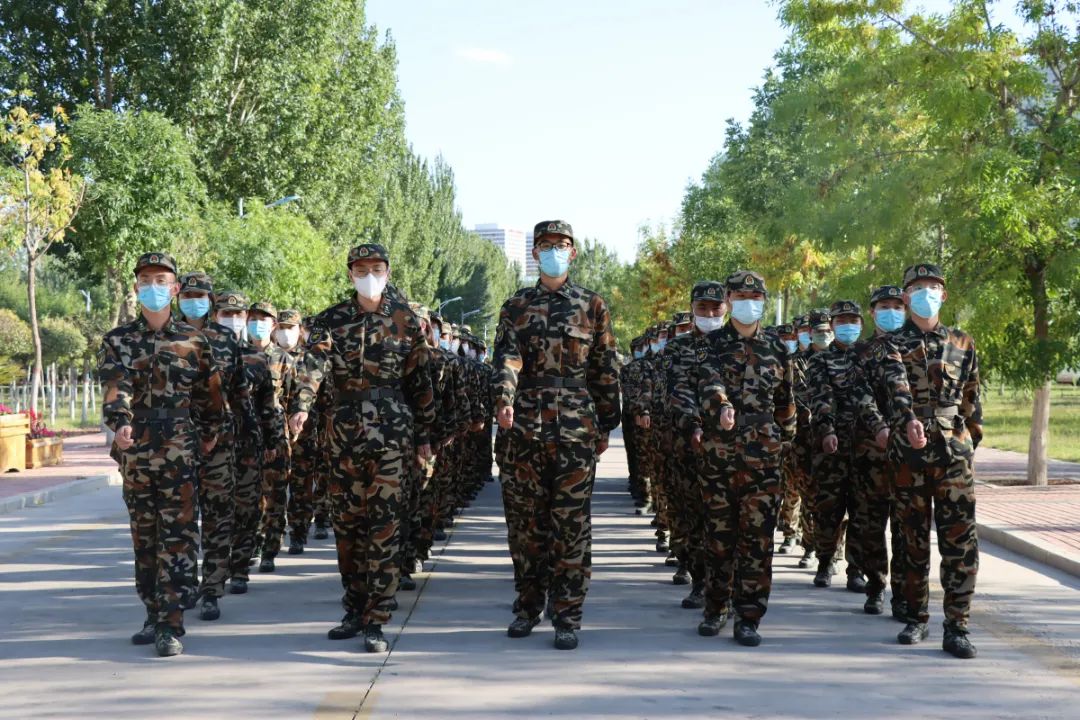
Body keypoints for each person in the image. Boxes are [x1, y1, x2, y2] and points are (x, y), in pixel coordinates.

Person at [288, 242, 435, 653]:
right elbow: (313, 364)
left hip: (392, 439)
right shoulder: (332, 319)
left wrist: (426, 434)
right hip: (344, 437)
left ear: (388, 272)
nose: (369, 275)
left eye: (376, 268)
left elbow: (421, 381)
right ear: (350, 273)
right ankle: (353, 610)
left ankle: (377, 618)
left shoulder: (405, 320)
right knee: (348, 529)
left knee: (384, 529)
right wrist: (301, 405)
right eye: (361, 269)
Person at [494, 219, 621, 651]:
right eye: (546, 245)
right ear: (535, 253)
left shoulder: (592, 305)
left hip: (576, 432)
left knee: (571, 527)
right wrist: (504, 399)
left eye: (561, 245)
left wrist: (607, 423)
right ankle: (528, 607)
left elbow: (604, 367)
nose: (554, 252)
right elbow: (507, 359)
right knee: (526, 527)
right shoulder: (516, 306)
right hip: (524, 430)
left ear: (573, 252)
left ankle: (567, 615)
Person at [98, 252, 224, 656]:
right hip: (136, 449)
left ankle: (171, 622)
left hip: (180, 449)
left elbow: (210, 397)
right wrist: (120, 422)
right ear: (136, 287)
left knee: (179, 536)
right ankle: (152, 613)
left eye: (161, 280)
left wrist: (209, 435)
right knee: (145, 537)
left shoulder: (194, 341)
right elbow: (116, 386)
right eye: (145, 280)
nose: (153, 287)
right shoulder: (118, 340)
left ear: (175, 289)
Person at [672, 269, 795, 647]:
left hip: (764, 458)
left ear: (764, 301)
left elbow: (787, 404)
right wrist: (718, 409)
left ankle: (749, 616)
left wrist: (784, 442)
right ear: (729, 300)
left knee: (758, 540)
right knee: (719, 537)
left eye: (754, 297)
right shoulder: (710, 346)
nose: (748, 303)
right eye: (740, 297)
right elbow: (705, 385)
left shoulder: (776, 349)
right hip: (719, 455)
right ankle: (715, 607)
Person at [881, 263, 981, 659]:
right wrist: (908, 421)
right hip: (909, 455)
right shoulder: (892, 343)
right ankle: (916, 617)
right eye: (919, 287)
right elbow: (896, 387)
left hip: (954, 455)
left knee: (960, 542)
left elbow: (972, 398)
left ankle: (957, 627)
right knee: (912, 540)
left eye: (934, 287)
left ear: (944, 294)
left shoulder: (962, 342)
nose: (927, 293)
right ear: (906, 297)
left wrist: (968, 442)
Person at [177, 271, 257, 622]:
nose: (194, 301)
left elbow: (240, 394)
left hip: (220, 444)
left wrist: (252, 439)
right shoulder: (166, 336)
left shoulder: (224, 340)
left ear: (210, 300)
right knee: (180, 520)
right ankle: (184, 585)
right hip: (176, 443)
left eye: (200, 295)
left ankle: (212, 588)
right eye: (188, 294)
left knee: (218, 517)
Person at [806, 301, 888, 592]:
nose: (847, 325)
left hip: (868, 444)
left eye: (852, 320)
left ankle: (856, 568)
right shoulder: (821, 360)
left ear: (861, 324)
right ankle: (825, 560)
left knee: (862, 508)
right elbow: (821, 397)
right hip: (832, 443)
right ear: (833, 326)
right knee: (829, 507)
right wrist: (827, 430)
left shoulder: (871, 355)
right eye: (841, 321)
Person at [666, 281, 727, 610]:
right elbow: (678, 391)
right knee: (693, 516)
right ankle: (700, 580)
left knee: (727, 520)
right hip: (690, 445)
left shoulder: (736, 345)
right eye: (702, 307)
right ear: (692, 309)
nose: (710, 313)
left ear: (726, 307)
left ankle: (727, 586)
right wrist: (693, 426)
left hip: (733, 447)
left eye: (715, 307)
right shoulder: (678, 348)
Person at [219, 292, 283, 596]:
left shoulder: (256, 359)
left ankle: (240, 569)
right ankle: (214, 575)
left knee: (247, 510)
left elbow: (267, 406)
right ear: (215, 316)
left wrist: (272, 441)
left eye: (237, 314)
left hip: (247, 445)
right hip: (211, 446)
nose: (232, 319)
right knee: (217, 512)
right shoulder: (200, 352)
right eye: (225, 313)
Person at [853, 285, 907, 617]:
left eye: (897, 306)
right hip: (872, 449)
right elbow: (861, 395)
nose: (891, 312)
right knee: (872, 524)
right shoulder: (862, 351)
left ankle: (903, 593)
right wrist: (879, 427)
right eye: (884, 306)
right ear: (872, 312)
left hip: (911, 452)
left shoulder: (916, 346)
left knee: (906, 527)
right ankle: (875, 586)